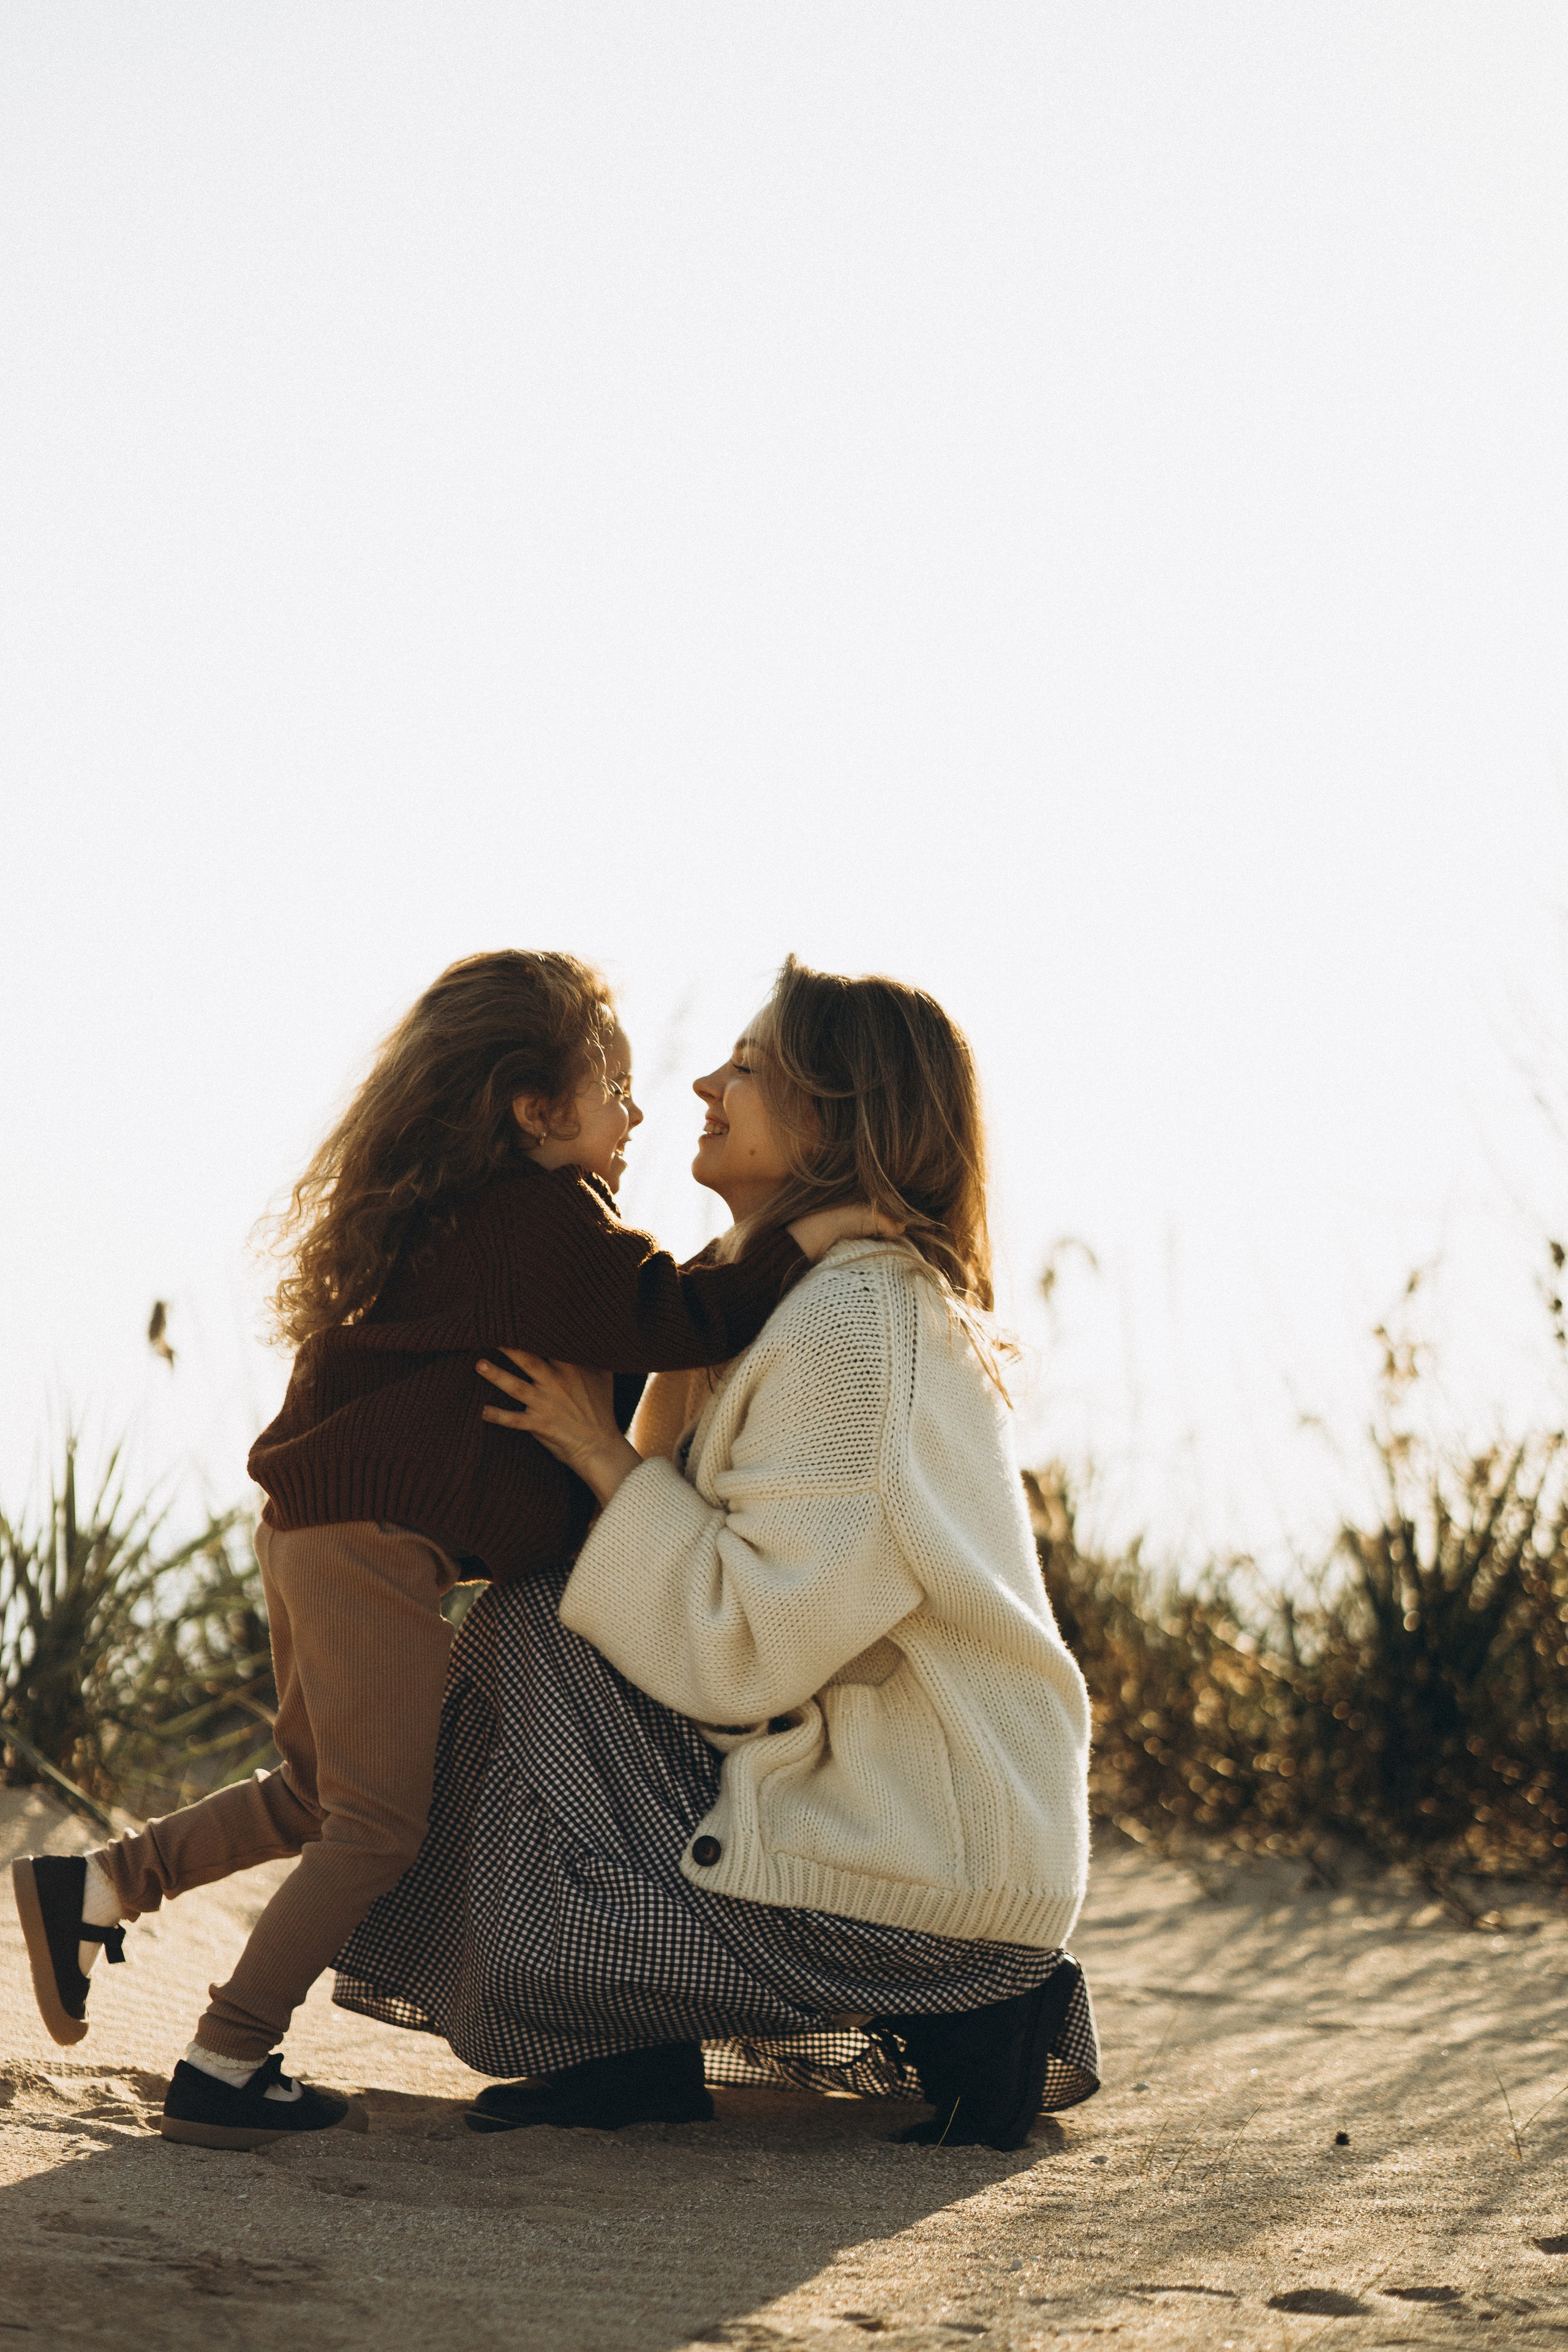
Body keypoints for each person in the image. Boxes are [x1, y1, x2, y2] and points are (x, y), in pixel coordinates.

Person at [11, 949, 866, 2150]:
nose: (633, 1113)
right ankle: (227, 2057)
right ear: (533, 1110)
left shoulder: (462, 1219)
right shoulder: (544, 1218)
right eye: (613, 1086)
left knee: (317, 1794)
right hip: (375, 1549)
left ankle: (97, 1886)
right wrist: (807, 1232)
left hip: (320, 1532)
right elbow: (677, 1320)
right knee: (375, 1828)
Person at [335, 956, 1098, 2151]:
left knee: (533, 1632)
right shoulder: (790, 1297)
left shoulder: (854, 1321)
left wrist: (601, 1455)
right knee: (535, 1633)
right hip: (900, 1835)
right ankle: (625, 2050)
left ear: (829, 1115)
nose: (702, 1082)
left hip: (923, 1878)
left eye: (745, 1067)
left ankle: (967, 2020)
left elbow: (742, 1651)